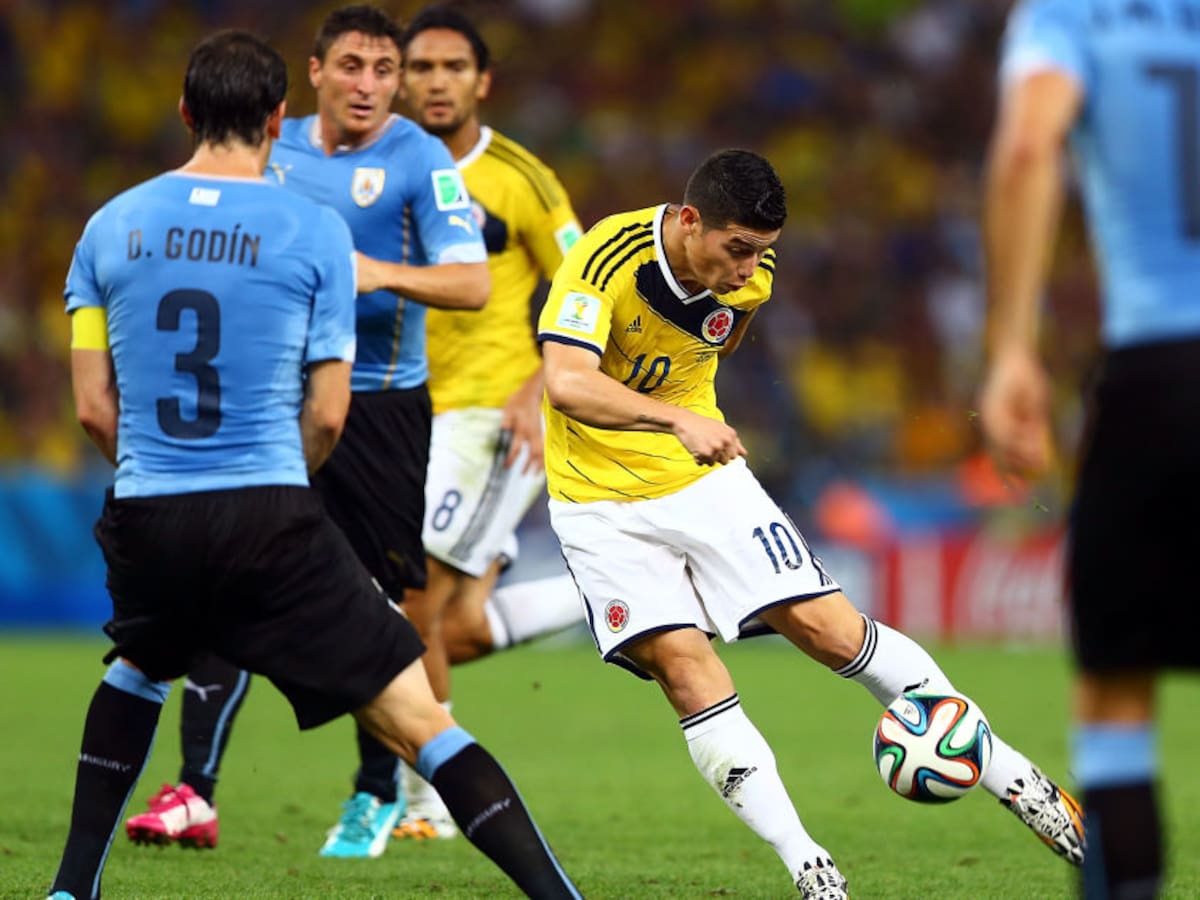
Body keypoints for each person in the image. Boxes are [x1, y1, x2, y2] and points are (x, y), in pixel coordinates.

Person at [47, 29, 580, 900]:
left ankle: (73, 887)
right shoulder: (313, 232)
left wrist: (156, 471)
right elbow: (330, 411)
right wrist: (273, 487)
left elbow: (91, 406)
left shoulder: (108, 226)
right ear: (279, 117)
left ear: (185, 112)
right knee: (417, 716)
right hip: (267, 505)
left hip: (147, 506)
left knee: (138, 667)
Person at [536, 148, 1084, 898]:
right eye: (735, 249)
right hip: (597, 502)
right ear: (689, 221)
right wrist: (673, 420)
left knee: (834, 633)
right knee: (687, 672)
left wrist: (686, 423)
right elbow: (566, 382)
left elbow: (702, 349)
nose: (747, 270)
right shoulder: (605, 260)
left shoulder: (752, 279)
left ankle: (1022, 783)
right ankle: (809, 866)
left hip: (701, 479)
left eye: (762, 253)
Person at [122, 4, 493, 860]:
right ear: (315, 73)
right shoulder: (268, 151)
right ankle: (194, 792)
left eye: (385, 70)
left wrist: (373, 273)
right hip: (270, 398)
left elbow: (472, 283)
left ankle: (372, 792)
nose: (370, 85)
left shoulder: (421, 160)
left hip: (380, 409)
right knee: (229, 580)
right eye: (353, 67)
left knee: (382, 604)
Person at [979, 3, 1200, 897]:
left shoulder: (1071, 14)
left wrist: (1010, 351)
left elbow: (1031, 147)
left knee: (1115, 694)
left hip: (1163, 371)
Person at [391, 4, 586, 840]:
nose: (437, 82)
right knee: (454, 628)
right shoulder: (379, 167)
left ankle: (423, 805)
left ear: (481, 81)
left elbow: (589, 293)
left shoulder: (521, 178)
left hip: (491, 418)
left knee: (409, 612)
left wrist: (540, 386)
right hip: (399, 414)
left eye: (452, 68)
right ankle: (603, 596)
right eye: (422, 68)